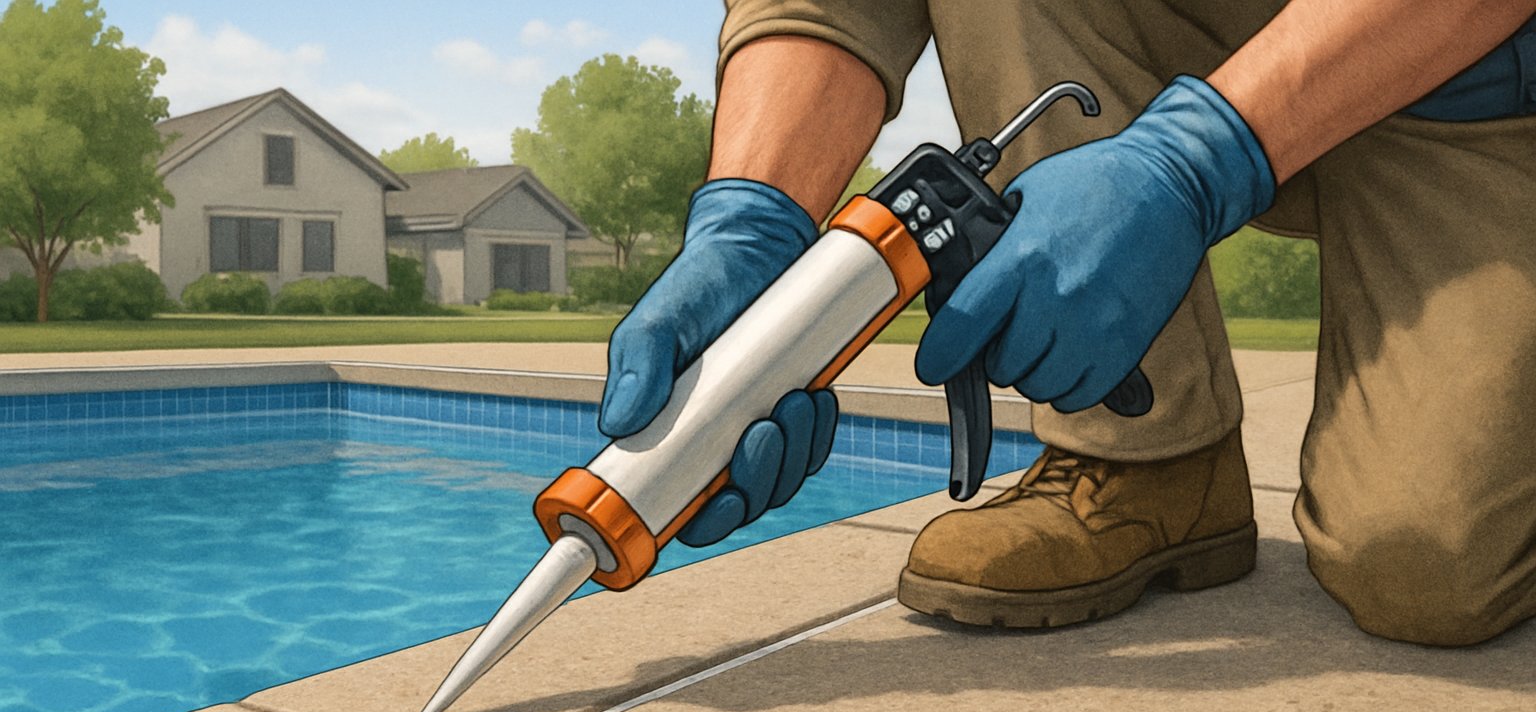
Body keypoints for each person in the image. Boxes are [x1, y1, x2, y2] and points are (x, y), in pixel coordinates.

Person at [598, 1, 1536, 647]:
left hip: (1480, 84)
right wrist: (754, 219)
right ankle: (1146, 458)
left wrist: (1196, 158)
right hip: (1229, 35)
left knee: (1425, 567)